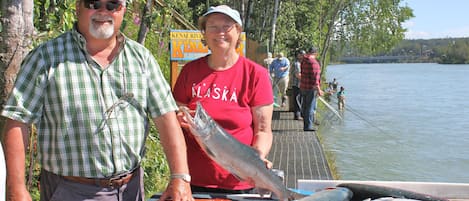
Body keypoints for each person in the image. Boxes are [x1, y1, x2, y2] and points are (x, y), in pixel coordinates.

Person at [1, 0, 192, 200]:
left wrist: (180, 176)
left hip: (131, 190)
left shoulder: (141, 58)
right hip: (69, 191)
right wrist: (16, 188)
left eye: (112, 5)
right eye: (93, 3)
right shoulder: (45, 58)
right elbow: (17, 121)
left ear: (123, 10)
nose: (103, 11)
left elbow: (166, 118)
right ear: (77, 7)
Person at [172, 5, 274, 194]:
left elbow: (263, 130)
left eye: (226, 26)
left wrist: (257, 158)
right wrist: (179, 118)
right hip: (193, 179)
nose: (220, 33)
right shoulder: (189, 71)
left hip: (240, 182)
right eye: (212, 26)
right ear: (204, 33)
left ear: (238, 31)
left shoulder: (256, 75)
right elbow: (176, 114)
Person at [300, 46, 324, 131]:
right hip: (310, 88)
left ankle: (306, 124)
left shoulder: (303, 61)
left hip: (303, 86)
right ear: (315, 53)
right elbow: (315, 78)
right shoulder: (314, 63)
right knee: (310, 107)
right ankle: (308, 126)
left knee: (305, 106)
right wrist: (319, 90)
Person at [291, 50, 305, 120]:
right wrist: (307, 79)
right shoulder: (296, 64)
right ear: (298, 55)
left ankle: (300, 114)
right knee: (297, 99)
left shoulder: (301, 63)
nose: (304, 56)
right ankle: (297, 115)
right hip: (296, 84)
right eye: (302, 54)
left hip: (300, 84)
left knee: (300, 99)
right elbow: (298, 75)